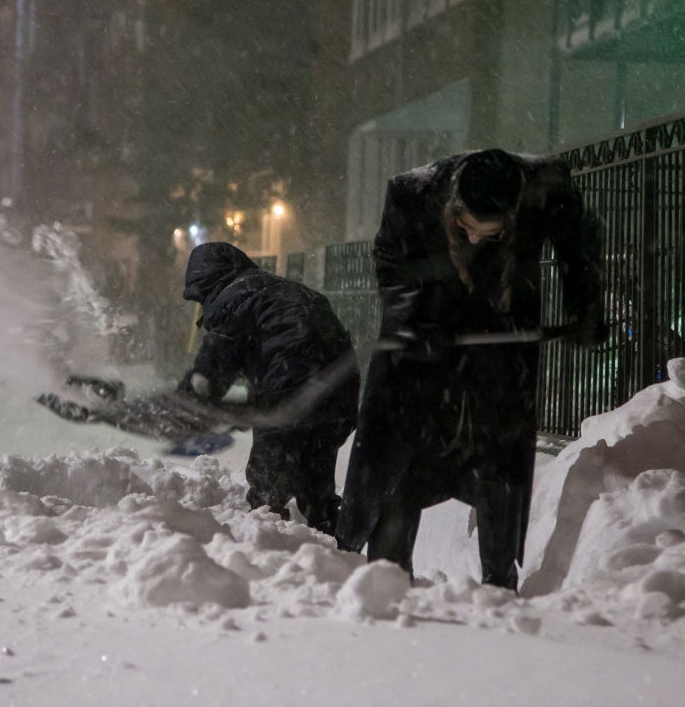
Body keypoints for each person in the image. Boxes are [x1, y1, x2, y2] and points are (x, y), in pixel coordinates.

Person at [336, 148, 606, 590]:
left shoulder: (544, 187)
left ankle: (500, 585)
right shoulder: (412, 192)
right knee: (398, 454)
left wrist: (587, 309)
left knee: (498, 455)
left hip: (501, 333)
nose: (477, 239)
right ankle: (383, 578)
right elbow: (392, 263)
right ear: (452, 208)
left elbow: (580, 248)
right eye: (467, 227)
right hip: (422, 338)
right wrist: (410, 322)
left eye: (491, 231)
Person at [179, 242, 358, 535]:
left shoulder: (234, 298)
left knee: (268, 484)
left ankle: (264, 547)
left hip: (288, 392)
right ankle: (338, 556)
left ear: (210, 283)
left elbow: (213, 368)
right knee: (316, 486)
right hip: (339, 393)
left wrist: (187, 400)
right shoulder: (289, 291)